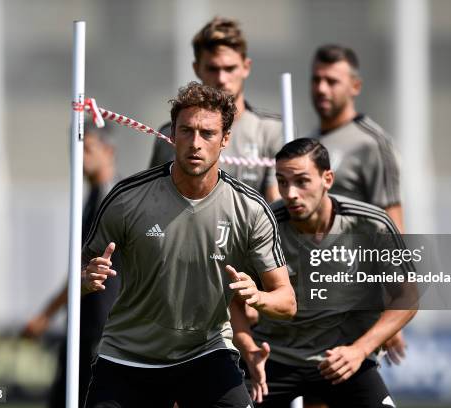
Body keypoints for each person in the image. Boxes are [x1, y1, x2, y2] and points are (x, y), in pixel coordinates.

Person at [82, 82, 296, 408]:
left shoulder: (250, 209)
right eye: (187, 131)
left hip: (206, 351)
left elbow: (287, 301)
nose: (195, 143)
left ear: (225, 139)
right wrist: (87, 278)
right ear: (173, 134)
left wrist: (259, 297)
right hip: (128, 356)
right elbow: (81, 275)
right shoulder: (127, 198)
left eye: (207, 134)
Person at [233, 138, 417, 407]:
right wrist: (247, 347)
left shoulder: (371, 223)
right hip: (274, 358)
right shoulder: (264, 225)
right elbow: (235, 299)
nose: (291, 193)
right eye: (282, 181)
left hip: (343, 359)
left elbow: (408, 296)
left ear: (327, 178)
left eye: (302, 181)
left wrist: (360, 350)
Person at [21, 124, 121, 407]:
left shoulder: (115, 200)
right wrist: (47, 314)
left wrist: (45, 315)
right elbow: (81, 269)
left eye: (86, 149)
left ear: (108, 151)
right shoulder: (91, 198)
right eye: (74, 148)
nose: (78, 156)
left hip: (104, 328)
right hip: (83, 322)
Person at [149, 17, 283, 202]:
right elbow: (155, 201)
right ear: (197, 69)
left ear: (246, 67)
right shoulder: (169, 136)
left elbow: (277, 206)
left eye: (230, 68)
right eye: (213, 69)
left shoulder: (271, 131)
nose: (221, 78)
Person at [309, 45, 403, 232]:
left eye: (332, 81)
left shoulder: (373, 143)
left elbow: (394, 226)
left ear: (355, 86)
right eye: (316, 79)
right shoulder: (309, 142)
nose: (322, 89)